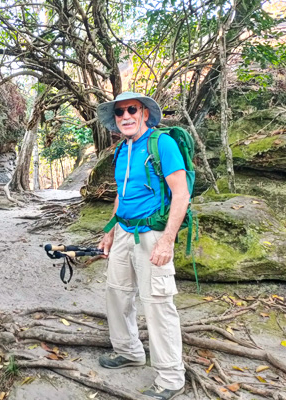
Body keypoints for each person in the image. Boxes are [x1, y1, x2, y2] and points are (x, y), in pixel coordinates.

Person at [96, 92, 188, 400]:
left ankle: (171, 377)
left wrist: (167, 240)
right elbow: (122, 195)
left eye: (131, 109)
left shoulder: (161, 144)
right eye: (120, 112)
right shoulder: (122, 150)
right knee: (116, 293)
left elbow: (181, 194)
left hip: (152, 233)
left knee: (158, 303)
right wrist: (110, 230)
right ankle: (129, 351)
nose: (125, 116)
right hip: (123, 231)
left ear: (144, 113)